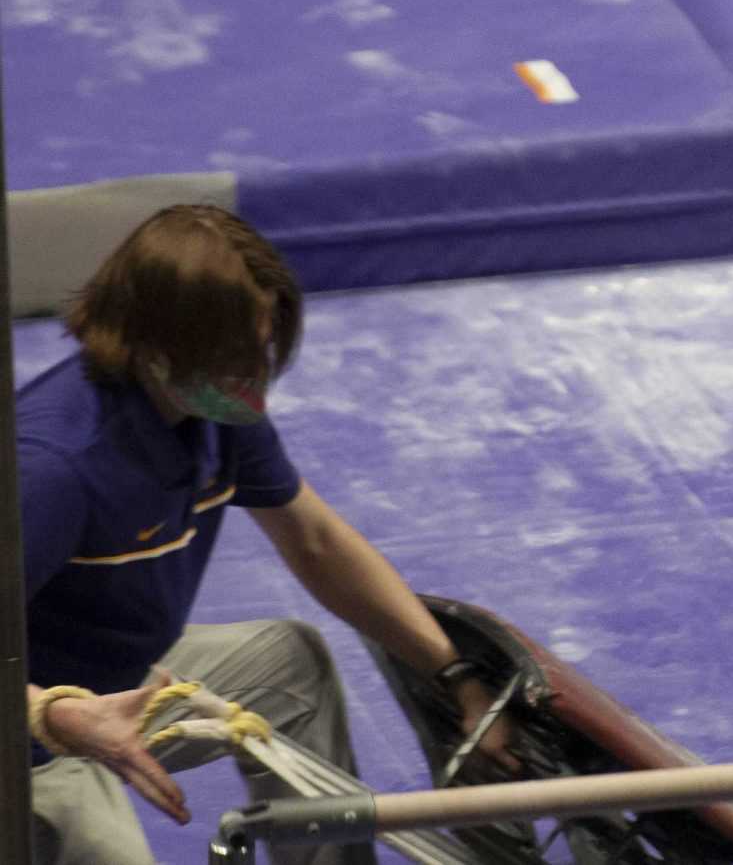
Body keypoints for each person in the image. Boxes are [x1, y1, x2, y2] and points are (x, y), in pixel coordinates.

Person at [19, 204, 512, 865]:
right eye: (235, 363)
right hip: (32, 738)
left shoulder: (214, 407)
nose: (255, 385)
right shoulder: (53, 469)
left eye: (262, 354)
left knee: (286, 666)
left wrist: (454, 674)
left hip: (120, 692)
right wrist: (53, 716)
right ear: (156, 342)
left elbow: (317, 542)